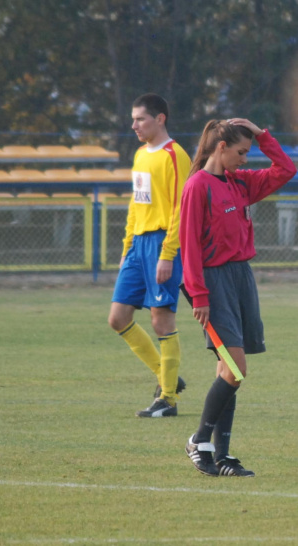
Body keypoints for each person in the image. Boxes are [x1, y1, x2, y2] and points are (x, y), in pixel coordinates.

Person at [180, 118, 296, 476]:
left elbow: (287, 168)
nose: (247, 159)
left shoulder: (241, 183)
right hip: (212, 283)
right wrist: (199, 295)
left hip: (241, 278)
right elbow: (189, 246)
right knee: (235, 369)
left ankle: (222, 455)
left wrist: (263, 136)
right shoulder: (198, 186)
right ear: (221, 147)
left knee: (228, 371)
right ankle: (198, 441)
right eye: (242, 152)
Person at [108, 93, 191, 417]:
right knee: (118, 318)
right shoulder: (142, 154)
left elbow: (180, 208)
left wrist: (168, 254)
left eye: (140, 119)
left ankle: (167, 399)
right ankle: (165, 375)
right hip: (138, 245)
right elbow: (136, 202)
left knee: (161, 320)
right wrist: (127, 245)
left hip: (162, 244)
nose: (134, 125)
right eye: (133, 119)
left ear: (160, 119)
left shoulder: (175, 156)